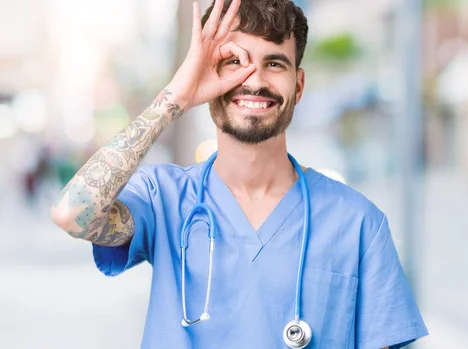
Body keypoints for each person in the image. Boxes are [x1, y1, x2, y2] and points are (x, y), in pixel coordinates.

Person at [50, 0, 428, 347]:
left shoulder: (358, 223)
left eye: (274, 63)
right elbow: (72, 213)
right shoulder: (163, 198)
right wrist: (175, 98)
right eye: (234, 62)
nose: (254, 80)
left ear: (298, 86)